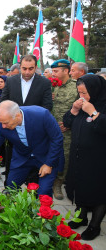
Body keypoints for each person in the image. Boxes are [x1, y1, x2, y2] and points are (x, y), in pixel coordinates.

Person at [0, 100, 63, 196]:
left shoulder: (41, 115)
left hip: (46, 157)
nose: (3, 126)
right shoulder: (2, 122)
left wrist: (49, 164)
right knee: (10, 188)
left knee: (44, 192)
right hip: (22, 158)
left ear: (17, 116)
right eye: (1, 123)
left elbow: (57, 139)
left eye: (6, 123)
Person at [63, 75, 106, 240]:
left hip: (98, 159)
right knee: (78, 185)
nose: (82, 97)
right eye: (79, 92)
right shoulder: (80, 104)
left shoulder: (101, 104)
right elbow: (67, 123)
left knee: (98, 191)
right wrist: (74, 110)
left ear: (95, 91)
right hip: (78, 155)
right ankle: (81, 216)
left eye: (85, 93)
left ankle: (94, 225)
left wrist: (93, 112)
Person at [0, 55, 53, 184]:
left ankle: (32, 190)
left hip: (35, 132)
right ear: (20, 67)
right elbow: (3, 101)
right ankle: (10, 190)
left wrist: (28, 120)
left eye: (31, 69)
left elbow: (47, 107)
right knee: (12, 165)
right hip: (13, 130)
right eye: (24, 69)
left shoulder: (44, 82)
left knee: (34, 172)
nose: (27, 72)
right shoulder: (11, 81)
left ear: (36, 67)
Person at [50, 59, 78, 200]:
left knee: (65, 156)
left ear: (66, 71)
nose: (53, 74)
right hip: (51, 127)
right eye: (52, 71)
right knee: (50, 153)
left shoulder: (76, 86)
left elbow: (82, 108)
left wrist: (70, 123)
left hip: (67, 130)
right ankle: (49, 179)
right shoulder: (51, 86)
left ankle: (58, 183)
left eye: (56, 71)